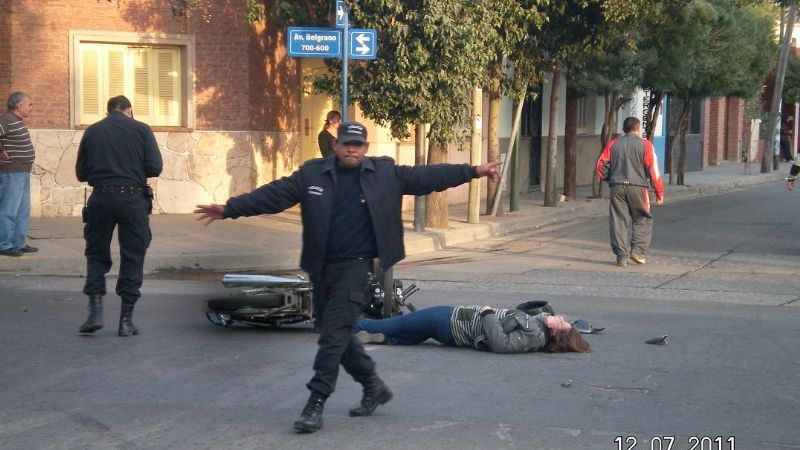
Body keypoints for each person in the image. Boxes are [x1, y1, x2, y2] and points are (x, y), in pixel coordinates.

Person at [195, 120, 500, 434]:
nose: (352, 149)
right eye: (346, 144)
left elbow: (428, 176)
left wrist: (473, 171)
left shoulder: (384, 173)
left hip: (356, 268)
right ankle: (373, 385)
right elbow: (274, 195)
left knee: (333, 335)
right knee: (334, 332)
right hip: (320, 267)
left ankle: (316, 401)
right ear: (336, 145)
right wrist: (230, 209)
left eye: (358, 145)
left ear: (365, 148)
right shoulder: (313, 174)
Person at [75, 95, 163, 337]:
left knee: (95, 254)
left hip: (101, 198)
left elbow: (81, 173)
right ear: (129, 110)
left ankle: (95, 312)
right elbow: (155, 167)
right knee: (133, 255)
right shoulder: (142, 129)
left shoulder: (92, 131)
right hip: (133, 199)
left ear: (108, 111)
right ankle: (126, 321)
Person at [355, 305, 591, 354]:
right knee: (413, 333)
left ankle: (342, 324)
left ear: (556, 334)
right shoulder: (538, 329)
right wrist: (546, 316)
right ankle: (385, 339)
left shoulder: (535, 336)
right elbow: (524, 318)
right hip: (453, 326)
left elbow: (501, 344)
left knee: (390, 323)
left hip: (450, 321)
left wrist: (487, 314)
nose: (560, 317)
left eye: (562, 322)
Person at [597, 116, 664, 267]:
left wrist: (609, 179)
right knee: (643, 217)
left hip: (617, 186)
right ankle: (638, 252)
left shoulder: (614, 143)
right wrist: (659, 192)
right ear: (638, 129)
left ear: (624, 129)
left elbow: (601, 165)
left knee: (618, 220)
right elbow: (654, 170)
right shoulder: (645, 144)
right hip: (638, 187)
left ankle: (621, 256)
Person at [0, 92, 37, 257]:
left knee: (22, 210)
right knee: (9, 210)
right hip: (11, 172)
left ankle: (18, 243)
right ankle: (4, 245)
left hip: (22, 171)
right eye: (29, 104)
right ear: (19, 106)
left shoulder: (17, 121)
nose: (31, 108)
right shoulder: (6, 120)